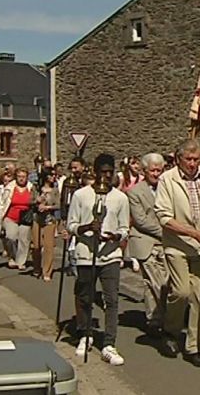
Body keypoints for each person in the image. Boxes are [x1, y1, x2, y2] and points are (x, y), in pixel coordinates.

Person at [154, 138, 200, 368]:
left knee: (198, 296)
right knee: (181, 291)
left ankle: (194, 346)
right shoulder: (167, 179)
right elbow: (164, 217)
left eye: (196, 159)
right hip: (177, 244)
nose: (193, 164)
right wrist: (194, 234)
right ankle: (171, 331)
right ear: (178, 158)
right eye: (188, 159)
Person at [66, 153, 129, 366]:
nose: (107, 176)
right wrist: (85, 228)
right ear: (95, 172)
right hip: (86, 253)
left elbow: (124, 228)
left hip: (110, 254)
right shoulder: (81, 195)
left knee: (111, 299)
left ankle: (109, 342)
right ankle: (85, 333)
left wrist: (116, 236)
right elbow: (71, 224)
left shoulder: (120, 198)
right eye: (103, 172)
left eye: (110, 173)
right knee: (85, 295)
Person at [127, 153, 177, 347]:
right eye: (153, 170)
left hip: (166, 242)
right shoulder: (135, 192)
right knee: (158, 283)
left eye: (159, 170)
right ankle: (161, 322)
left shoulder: (167, 188)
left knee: (154, 283)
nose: (157, 174)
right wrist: (165, 230)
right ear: (145, 171)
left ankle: (153, 320)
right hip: (146, 241)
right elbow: (141, 220)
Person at [0, 168, 35, 270]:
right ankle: (12, 257)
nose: (21, 179)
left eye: (24, 177)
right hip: (11, 216)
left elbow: (34, 201)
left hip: (25, 217)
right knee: (10, 237)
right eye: (19, 177)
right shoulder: (10, 187)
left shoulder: (31, 187)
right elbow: (2, 202)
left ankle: (21, 261)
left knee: (24, 240)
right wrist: (0, 217)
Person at [32, 168, 60, 281]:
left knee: (49, 246)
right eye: (51, 175)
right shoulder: (37, 189)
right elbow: (30, 200)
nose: (53, 177)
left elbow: (58, 205)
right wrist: (36, 200)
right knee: (36, 245)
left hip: (49, 220)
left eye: (54, 175)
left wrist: (48, 207)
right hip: (37, 219)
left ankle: (47, 271)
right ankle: (36, 267)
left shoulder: (55, 190)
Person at [0, 171, 13, 257]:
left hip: (9, 212)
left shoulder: (13, 188)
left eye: (8, 180)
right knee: (2, 233)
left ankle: (10, 249)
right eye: (5, 181)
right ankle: (5, 248)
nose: (6, 182)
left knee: (9, 233)